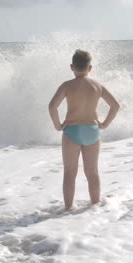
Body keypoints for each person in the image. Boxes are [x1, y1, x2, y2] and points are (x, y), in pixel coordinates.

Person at [48, 49, 120, 211]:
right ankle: (95, 207)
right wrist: (104, 124)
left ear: (72, 67)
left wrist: (58, 125)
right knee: (92, 172)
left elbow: (52, 106)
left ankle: (68, 209)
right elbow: (115, 106)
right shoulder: (97, 86)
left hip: (72, 131)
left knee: (70, 173)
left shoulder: (67, 86)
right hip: (92, 132)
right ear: (90, 68)